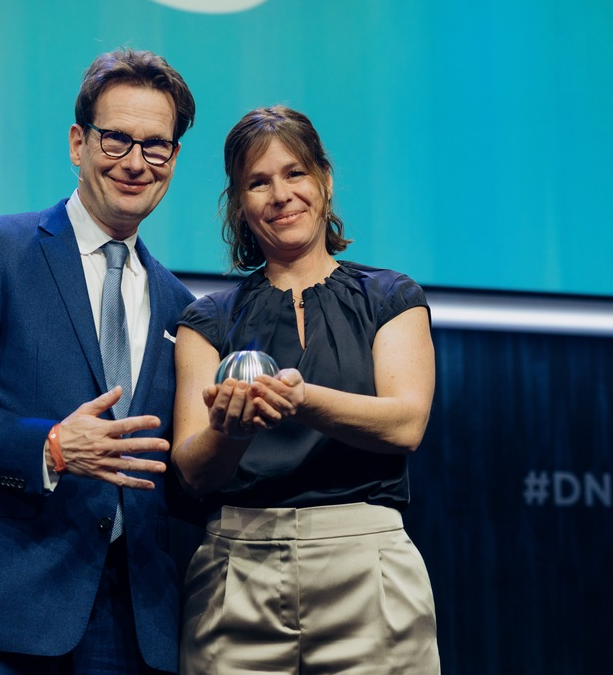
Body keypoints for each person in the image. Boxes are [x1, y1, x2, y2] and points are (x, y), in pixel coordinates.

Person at [0, 48, 196, 674]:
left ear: (173, 160)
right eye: (116, 139)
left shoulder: (182, 307)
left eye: (156, 146)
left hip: (129, 622)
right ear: (77, 143)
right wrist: (53, 447)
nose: (136, 163)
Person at [171, 106, 441, 674]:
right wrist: (231, 431)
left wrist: (300, 399)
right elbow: (193, 470)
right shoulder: (207, 320)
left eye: (294, 173)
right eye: (258, 182)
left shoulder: (390, 296)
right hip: (235, 569)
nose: (280, 194)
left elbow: (406, 423)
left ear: (325, 180)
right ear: (239, 205)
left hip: (367, 566)